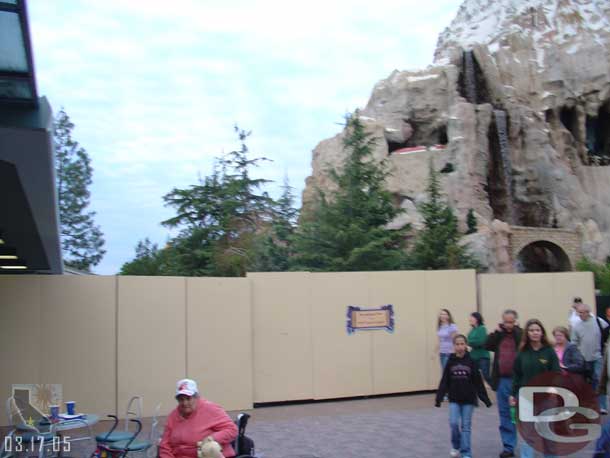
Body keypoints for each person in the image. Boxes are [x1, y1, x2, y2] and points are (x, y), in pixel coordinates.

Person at [436, 334, 492, 458]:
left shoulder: (471, 361)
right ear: (453, 346)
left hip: (469, 399)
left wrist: (485, 399)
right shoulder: (450, 361)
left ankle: (466, 453)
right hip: (454, 399)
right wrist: (439, 397)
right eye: (457, 344)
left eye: (462, 344)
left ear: (466, 345)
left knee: (466, 427)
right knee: (453, 423)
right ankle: (456, 445)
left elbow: (478, 382)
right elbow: (445, 380)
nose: (460, 346)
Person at [510, 319, 560, 458]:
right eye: (531, 330)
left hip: (546, 399)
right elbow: (516, 375)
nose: (535, 333)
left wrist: (553, 387)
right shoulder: (522, 353)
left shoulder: (549, 352)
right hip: (526, 398)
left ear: (542, 332)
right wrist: (513, 395)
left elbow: (556, 373)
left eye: (537, 330)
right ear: (527, 333)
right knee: (528, 434)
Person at [159, 378, 238, 458]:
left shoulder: (210, 409)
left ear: (196, 397)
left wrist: (211, 439)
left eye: (188, 398)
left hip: (206, 455)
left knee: (210, 447)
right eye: (181, 399)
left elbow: (232, 429)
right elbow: (165, 444)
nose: (185, 403)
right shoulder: (173, 416)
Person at [485, 309, 522, 458]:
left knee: (522, 414)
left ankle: (528, 444)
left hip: (519, 380)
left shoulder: (520, 334)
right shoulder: (499, 335)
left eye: (511, 322)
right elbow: (487, 345)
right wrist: (496, 332)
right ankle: (508, 446)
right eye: (506, 321)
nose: (508, 325)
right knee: (505, 414)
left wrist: (517, 330)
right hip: (503, 380)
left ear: (516, 321)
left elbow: (523, 342)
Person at [572, 303, 609, 414]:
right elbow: (574, 342)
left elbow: (607, 332)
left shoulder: (598, 322)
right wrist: (577, 355)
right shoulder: (576, 326)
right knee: (584, 383)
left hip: (597, 356)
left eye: (584, 312)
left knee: (599, 381)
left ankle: (601, 406)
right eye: (580, 313)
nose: (582, 315)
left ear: (589, 312)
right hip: (583, 358)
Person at [468, 312, 492, 385]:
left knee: (486, 375)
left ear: (477, 319)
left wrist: (470, 343)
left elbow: (480, 342)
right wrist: (470, 342)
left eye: (472, 317)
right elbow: (467, 340)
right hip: (473, 357)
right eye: (470, 318)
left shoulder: (482, 329)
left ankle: (495, 387)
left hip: (483, 356)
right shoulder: (472, 330)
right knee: (474, 376)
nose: (470, 319)